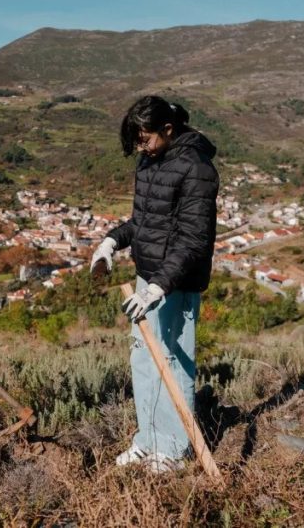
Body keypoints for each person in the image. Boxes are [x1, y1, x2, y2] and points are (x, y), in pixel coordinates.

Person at [90, 95, 218, 473]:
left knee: (173, 361)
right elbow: (143, 222)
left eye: (144, 139)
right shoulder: (150, 161)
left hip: (174, 283)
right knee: (144, 360)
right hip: (147, 276)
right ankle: (147, 440)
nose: (140, 148)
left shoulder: (196, 168)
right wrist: (112, 241)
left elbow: (193, 238)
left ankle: (175, 448)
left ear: (168, 129)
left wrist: (159, 286)